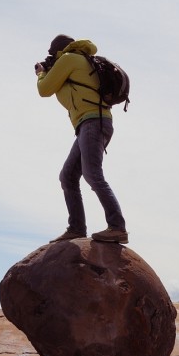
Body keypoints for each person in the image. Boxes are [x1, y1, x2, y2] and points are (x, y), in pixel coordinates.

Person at [35, 34, 128, 244]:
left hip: (93, 122)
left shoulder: (69, 59)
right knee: (68, 176)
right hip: (92, 123)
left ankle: (117, 227)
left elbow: (44, 89)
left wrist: (41, 74)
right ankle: (76, 228)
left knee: (92, 174)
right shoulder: (82, 60)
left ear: (58, 50)